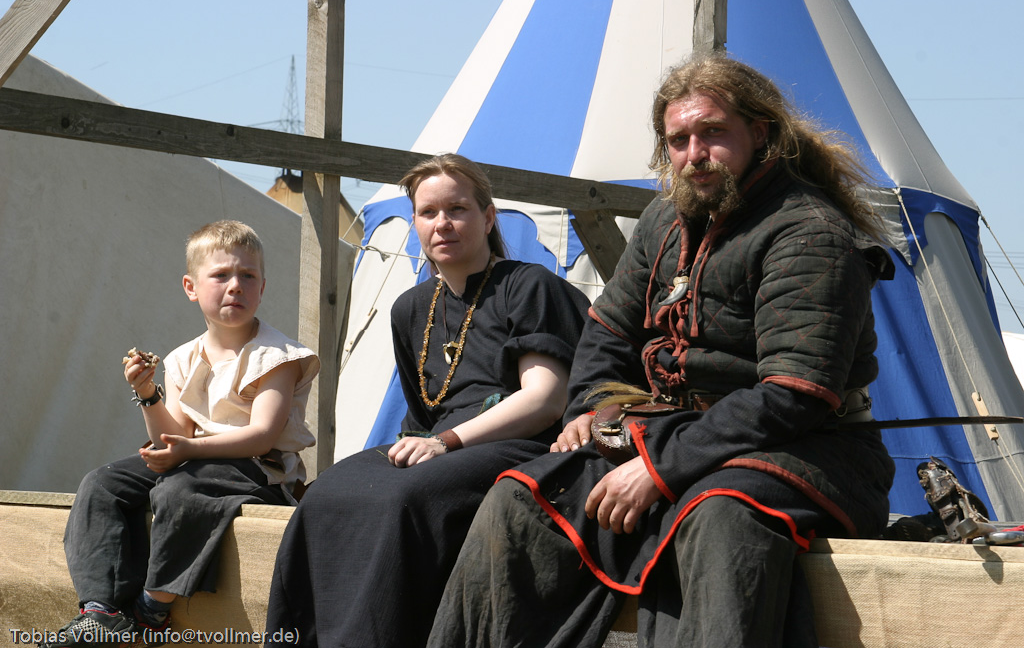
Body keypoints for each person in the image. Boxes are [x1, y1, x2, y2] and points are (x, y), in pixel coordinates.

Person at [426, 53, 897, 648]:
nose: (694, 154)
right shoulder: (664, 220)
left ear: (760, 133)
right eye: (678, 140)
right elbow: (607, 332)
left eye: (713, 133)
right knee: (522, 498)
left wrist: (660, 469)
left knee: (718, 515)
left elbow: (793, 394)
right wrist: (591, 412)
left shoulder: (808, 232)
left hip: (808, 451)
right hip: (670, 434)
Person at [264, 153, 591, 647]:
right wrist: (431, 444)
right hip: (445, 445)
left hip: (524, 445)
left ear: (487, 217)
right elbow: (422, 415)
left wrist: (445, 443)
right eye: (428, 212)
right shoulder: (410, 308)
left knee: (404, 499)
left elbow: (544, 400)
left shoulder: (528, 285)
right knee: (327, 492)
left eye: (457, 209)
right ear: (415, 221)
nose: (443, 223)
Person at [41, 220, 319, 647]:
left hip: (256, 471)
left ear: (262, 287)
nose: (236, 286)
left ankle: (152, 606)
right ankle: (100, 611)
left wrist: (186, 448)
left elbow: (262, 436)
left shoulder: (278, 357)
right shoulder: (182, 358)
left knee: (178, 489)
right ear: (191, 287)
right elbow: (172, 436)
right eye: (221, 275)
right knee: (101, 483)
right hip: (194, 459)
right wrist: (147, 393)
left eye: (248, 276)